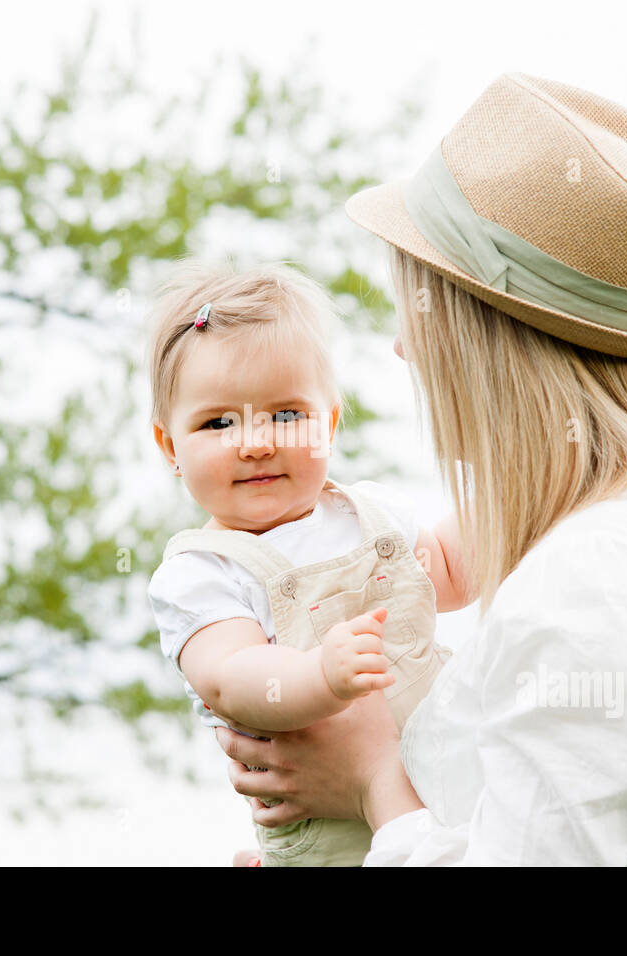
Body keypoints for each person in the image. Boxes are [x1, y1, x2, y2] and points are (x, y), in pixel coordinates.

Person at [211, 72, 627, 865]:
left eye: (421, 306)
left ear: (483, 338)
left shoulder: (594, 584)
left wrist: (372, 783)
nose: (403, 344)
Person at [144, 261, 477, 866]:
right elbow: (232, 675)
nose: (256, 441)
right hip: (330, 838)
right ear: (171, 445)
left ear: (329, 422)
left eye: (287, 414)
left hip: (452, 792)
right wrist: (320, 677)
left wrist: (530, 498)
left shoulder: (371, 514)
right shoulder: (204, 573)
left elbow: (452, 568)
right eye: (218, 422)